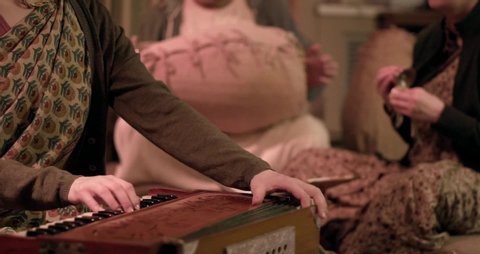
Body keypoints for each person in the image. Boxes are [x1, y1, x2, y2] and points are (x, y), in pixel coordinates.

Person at [0, 0, 327, 231]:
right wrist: (63, 186)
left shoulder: (84, 15)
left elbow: (155, 105)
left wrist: (254, 172)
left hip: (59, 217)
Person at [281, 0, 480, 254]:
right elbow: (419, 142)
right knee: (309, 161)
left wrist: (441, 115)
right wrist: (397, 104)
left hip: (466, 180)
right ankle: (320, 237)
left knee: (423, 185)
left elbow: (445, 125)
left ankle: (341, 250)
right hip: (415, 168)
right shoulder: (431, 39)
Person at [138, 0, 338, 98]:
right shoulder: (162, 14)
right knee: (131, 134)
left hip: (261, 136)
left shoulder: (267, 6)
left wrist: (308, 79)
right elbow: (137, 83)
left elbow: (307, 66)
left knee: (311, 133)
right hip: (184, 136)